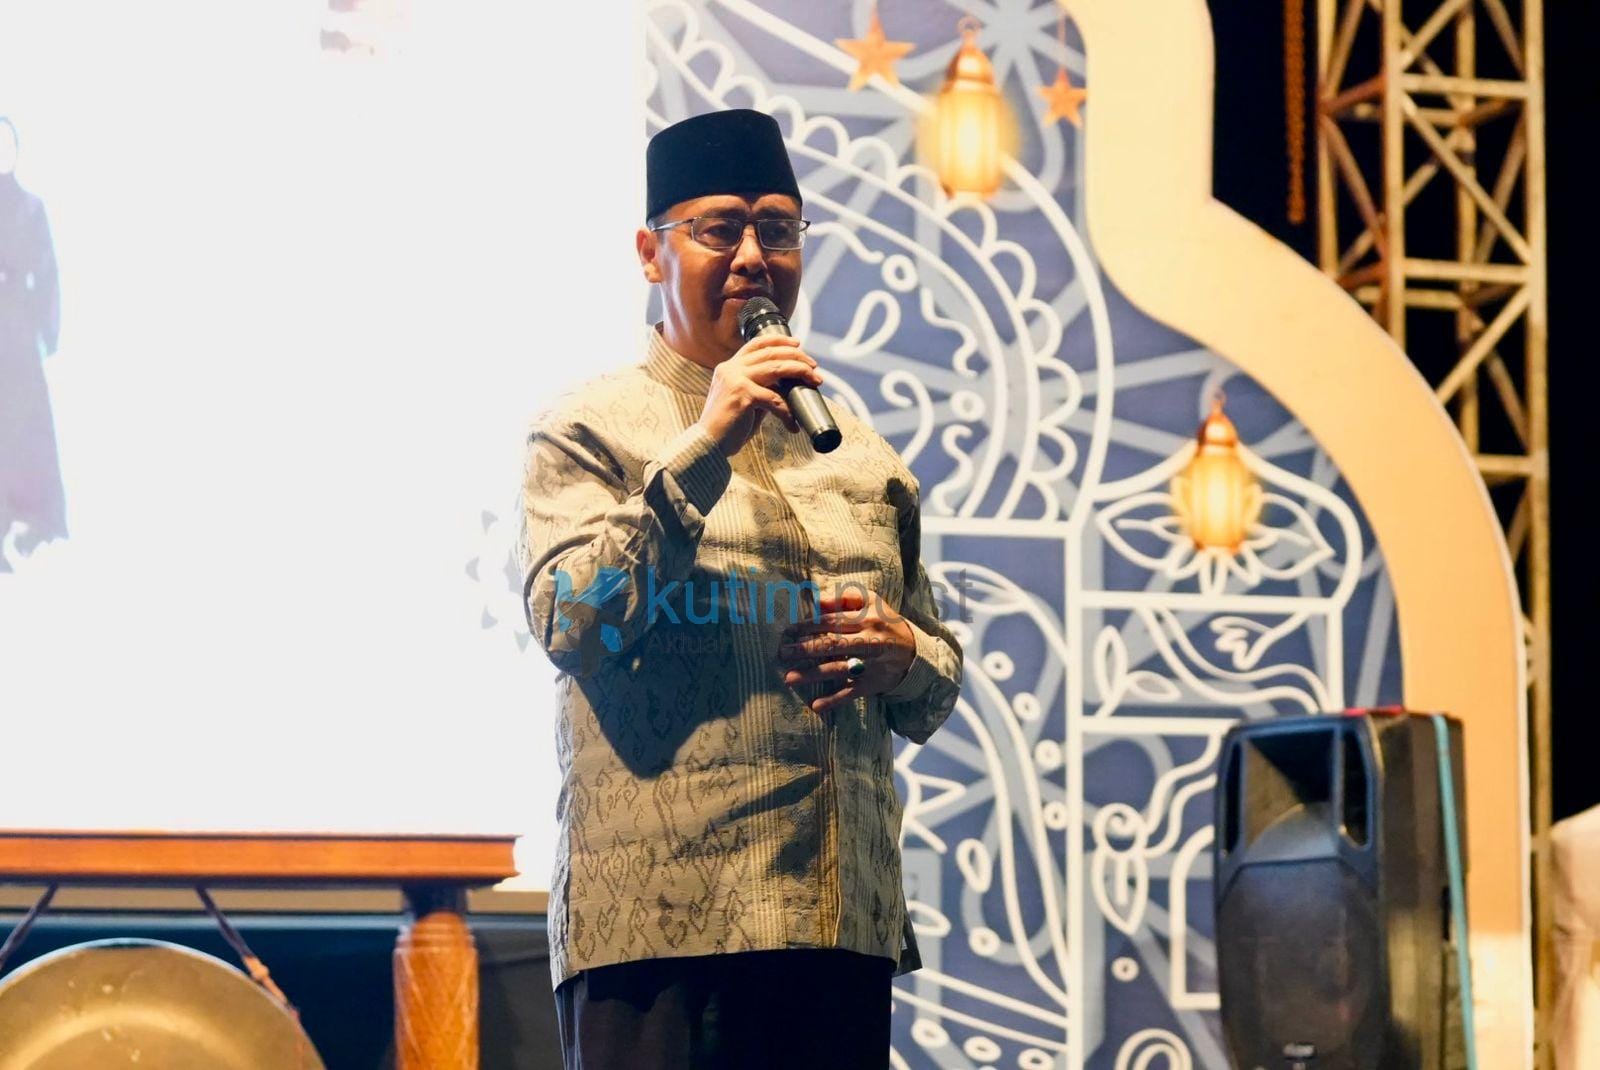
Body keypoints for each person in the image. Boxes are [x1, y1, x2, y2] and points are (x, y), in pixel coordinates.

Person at [519, 108, 963, 1069]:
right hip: (662, 929)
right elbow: (572, 621)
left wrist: (903, 655)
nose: (755, 257)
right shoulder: (590, 428)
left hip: (837, 926)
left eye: (779, 230)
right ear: (652, 253)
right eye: (721, 229)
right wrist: (707, 444)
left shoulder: (859, 454)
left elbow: (935, 681)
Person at [0, 116, 65, 568]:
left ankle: (34, 523)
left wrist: (47, 331)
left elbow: (48, 274)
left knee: (24, 431)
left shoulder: (30, 208)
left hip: (18, 337)